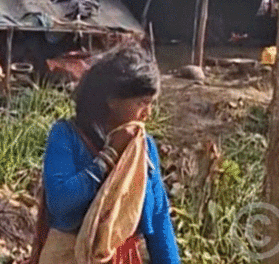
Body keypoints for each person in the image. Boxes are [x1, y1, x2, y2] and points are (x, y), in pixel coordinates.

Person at [31, 43, 180, 264]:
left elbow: (159, 219)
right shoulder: (66, 136)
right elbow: (61, 203)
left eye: (151, 104)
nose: (147, 113)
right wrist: (109, 157)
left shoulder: (144, 148)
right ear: (112, 100)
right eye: (142, 103)